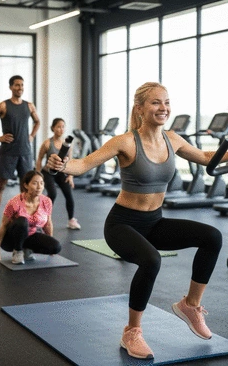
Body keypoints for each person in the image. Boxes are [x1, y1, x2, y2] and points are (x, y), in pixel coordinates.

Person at [47, 82, 226, 360]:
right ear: (140, 108)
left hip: (155, 222)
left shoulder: (173, 139)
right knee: (151, 260)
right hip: (122, 224)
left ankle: (191, 305)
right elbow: (82, 164)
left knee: (212, 237)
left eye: (166, 102)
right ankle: (132, 331)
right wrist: (61, 164)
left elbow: (205, 157)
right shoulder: (125, 141)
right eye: (155, 103)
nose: (163, 108)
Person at [0, 75, 40, 234]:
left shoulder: (29, 106)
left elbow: (37, 121)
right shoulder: (3, 105)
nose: (20, 88)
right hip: (8, 152)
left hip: (25, 152)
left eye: (22, 85)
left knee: (27, 188)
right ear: (11, 87)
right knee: (1, 185)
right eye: (17, 85)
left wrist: (31, 136)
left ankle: (25, 217)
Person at [0, 170, 61, 265]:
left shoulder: (46, 201)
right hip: (10, 240)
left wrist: (49, 241)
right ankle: (17, 251)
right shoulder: (14, 202)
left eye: (41, 183)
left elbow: (48, 223)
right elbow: (4, 225)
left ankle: (26, 249)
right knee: (22, 221)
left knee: (56, 247)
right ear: (26, 185)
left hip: (30, 236)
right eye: (35, 183)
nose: (39, 187)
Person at [36, 118, 81, 230]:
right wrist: (37, 175)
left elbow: (70, 161)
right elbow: (39, 159)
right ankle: (43, 219)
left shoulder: (67, 144)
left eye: (63, 126)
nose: (61, 129)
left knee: (69, 195)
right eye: (59, 126)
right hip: (48, 172)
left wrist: (70, 176)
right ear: (53, 128)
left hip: (61, 172)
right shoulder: (47, 143)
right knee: (52, 193)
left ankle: (71, 220)